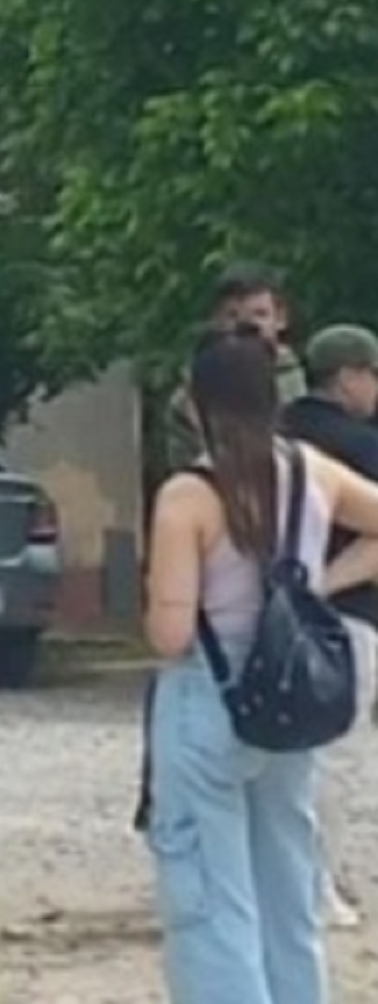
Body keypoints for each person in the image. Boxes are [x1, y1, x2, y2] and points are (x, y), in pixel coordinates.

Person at [141, 324, 378, 1004]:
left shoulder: (190, 495)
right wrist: (319, 584)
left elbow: (170, 631)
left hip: (209, 696)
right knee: (287, 888)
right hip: (291, 694)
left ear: (196, 400)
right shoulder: (312, 472)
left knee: (214, 897)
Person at [280, 323, 378, 930]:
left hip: (272, 618)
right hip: (349, 618)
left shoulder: (277, 436)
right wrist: (325, 583)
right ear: (348, 377)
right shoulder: (362, 446)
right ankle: (317, 885)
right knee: (334, 756)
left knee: (290, 755)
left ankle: (299, 876)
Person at [164, 261, 306, 473]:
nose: (248, 326)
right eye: (233, 316)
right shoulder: (188, 398)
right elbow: (186, 468)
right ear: (217, 321)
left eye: (260, 314)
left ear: (281, 319)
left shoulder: (307, 389)